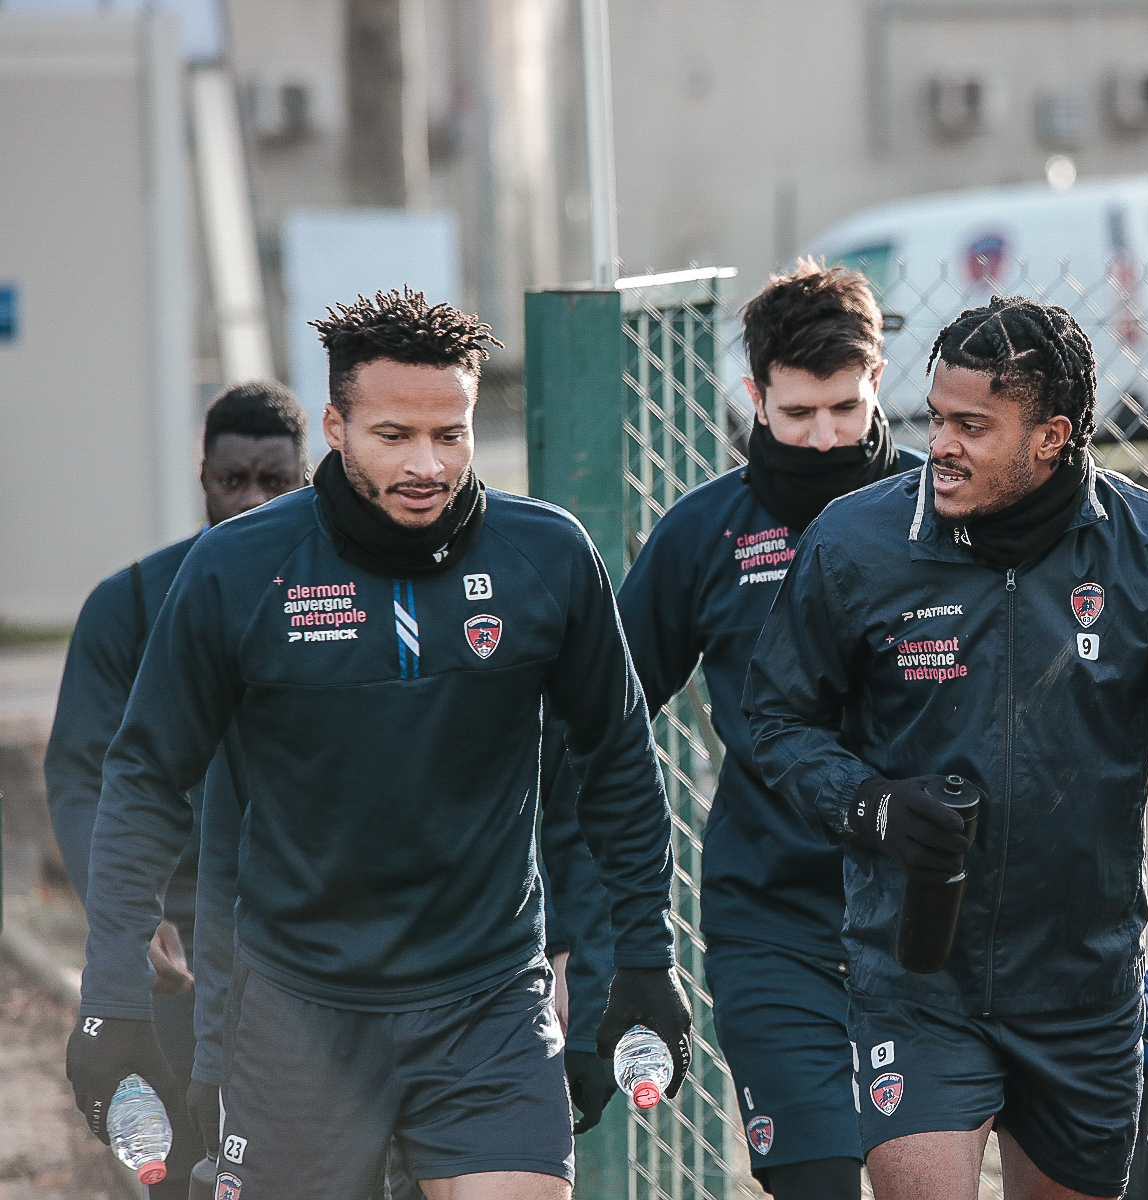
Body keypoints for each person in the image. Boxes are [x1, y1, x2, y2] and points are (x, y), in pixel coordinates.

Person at [64, 287, 693, 1200]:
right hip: (298, 1013)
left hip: (489, 1000)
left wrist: (645, 958)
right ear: (335, 424)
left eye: (453, 434)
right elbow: (145, 779)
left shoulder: (547, 557)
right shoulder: (238, 569)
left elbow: (619, 766)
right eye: (393, 435)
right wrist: (112, 998)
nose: (427, 464)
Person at [744, 295, 1148, 1200]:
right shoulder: (855, 543)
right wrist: (872, 804)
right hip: (915, 981)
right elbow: (773, 723)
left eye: (973, 425)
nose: (940, 444)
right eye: (935, 417)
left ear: (1052, 436)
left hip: (1083, 991)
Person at [544, 261, 920, 1196]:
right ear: (754, 395)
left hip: (933, 926)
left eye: (846, 407)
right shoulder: (705, 537)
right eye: (798, 415)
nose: (827, 439)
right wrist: (587, 959)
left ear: (878, 380)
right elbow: (590, 737)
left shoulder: (942, 515)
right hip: (774, 922)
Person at [44, 381, 309, 1199]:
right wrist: (123, 910)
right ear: (203, 478)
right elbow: (84, 772)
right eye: (235, 481)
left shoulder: (339, 604)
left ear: (309, 477)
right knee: (174, 1149)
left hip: (306, 924)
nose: (254, 500)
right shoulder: (129, 606)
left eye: (276, 482)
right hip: (179, 934)